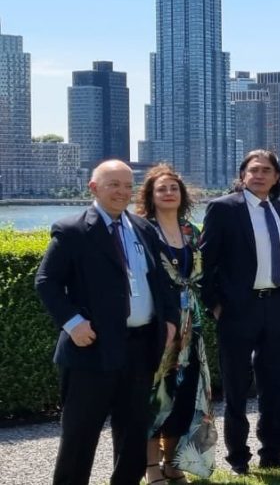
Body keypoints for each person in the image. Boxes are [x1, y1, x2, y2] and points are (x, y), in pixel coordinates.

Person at [35, 159, 178, 485]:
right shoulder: (71, 230)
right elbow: (46, 282)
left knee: (132, 438)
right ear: (94, 187)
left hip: (141, 349)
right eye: (114, 184)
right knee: (79, 438)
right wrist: (72, 323)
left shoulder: (144, 229)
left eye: (128, 185)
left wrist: (168, 321)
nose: (122, 191)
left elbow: (162, 282)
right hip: (92, 350)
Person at [200, 149, 280, 474]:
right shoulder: (223, 209)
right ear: (242, 176)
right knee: (236, 387)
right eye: (253, 170)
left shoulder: (278, 208)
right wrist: (215, 305)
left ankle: (272, 451)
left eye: (266, 170)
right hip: (238, 310)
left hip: (275, 306)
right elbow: (204, 263)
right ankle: (238, 457)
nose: (259, 175)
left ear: (277, 177)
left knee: (274, 384)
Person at [137, 164, 216, 483]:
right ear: (151, 196)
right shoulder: (142, 230)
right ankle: (151, 467)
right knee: (156, 398)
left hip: (191, 326)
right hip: (158, 323)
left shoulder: (190, 232)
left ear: (182, 195)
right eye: (162, 189)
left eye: (174, 188)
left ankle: (173, 462)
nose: (169, 193)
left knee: (184, 399)